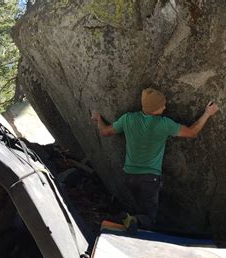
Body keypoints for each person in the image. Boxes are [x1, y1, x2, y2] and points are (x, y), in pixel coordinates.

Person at [91, 87, 219, 233]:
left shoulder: (128, 119)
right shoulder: (164, 124)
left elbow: (105, 132)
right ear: (155, 108)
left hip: (129, 175)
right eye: (162, 105)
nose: (165, 107)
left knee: (138, 208)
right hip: (149, 179)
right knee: (149, 218)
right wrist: (207, 114)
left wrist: (98, 118)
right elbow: (191, 132)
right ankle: (130, 220)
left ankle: (129, 220)